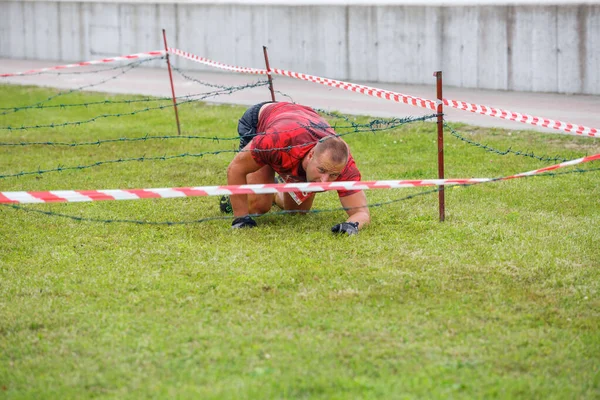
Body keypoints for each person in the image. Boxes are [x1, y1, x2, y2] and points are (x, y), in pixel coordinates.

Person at [222, 101, 370, 235]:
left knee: (297, 211)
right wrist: (241, 219)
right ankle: (231, 198)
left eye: (333, 175)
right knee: (258, 206)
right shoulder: (275, 141)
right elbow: (236, 168)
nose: (324, 182)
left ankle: (274, 191)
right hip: (264, 124)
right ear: (311, 155)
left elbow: (361, 212)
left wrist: (351, 226)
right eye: (322, 170)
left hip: (299, 123)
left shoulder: (342, 163)